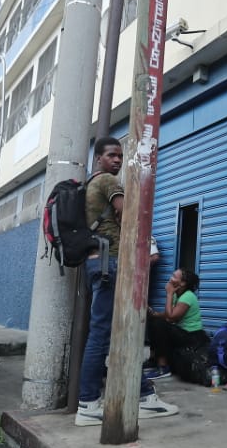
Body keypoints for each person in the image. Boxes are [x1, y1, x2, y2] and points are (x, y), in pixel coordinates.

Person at [75, 137, 179, 427]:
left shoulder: (89, 185)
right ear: (98, 158)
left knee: (116, 332)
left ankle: (139, 394)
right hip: (110, 263)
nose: (118, 160)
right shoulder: (107, 181)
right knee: (108, 333)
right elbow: (128, 214)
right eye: (112, 155)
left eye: (120, 156)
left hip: (98, 262)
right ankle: (90, 402)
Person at [144, 268, 208, 380]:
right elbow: (169, 314)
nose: (170, 278)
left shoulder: (188, 296)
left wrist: (168, 294)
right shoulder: (176, 294)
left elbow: (171, 317)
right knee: (153, 321)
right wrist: (154, 314)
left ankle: (163, 367)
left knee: (159, 325)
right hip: (182, 332)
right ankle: (153, 359)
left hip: (192, 336)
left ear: (182, 283)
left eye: (174, 276)